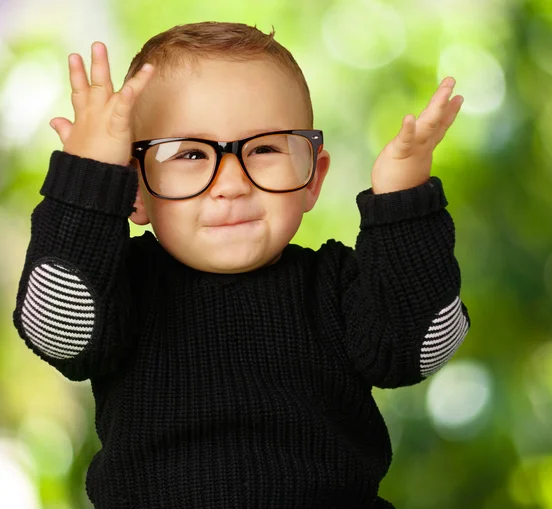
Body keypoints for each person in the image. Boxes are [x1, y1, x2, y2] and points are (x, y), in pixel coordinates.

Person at [13, 21, 470, 509]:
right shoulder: (121, 284)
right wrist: (88, 181)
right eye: (189, 153)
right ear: (134, 191)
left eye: (265, 148)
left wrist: (404, 203)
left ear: (312, 178)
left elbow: (423, 346)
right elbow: (57, 332)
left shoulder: (336, 283)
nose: (231, 182)